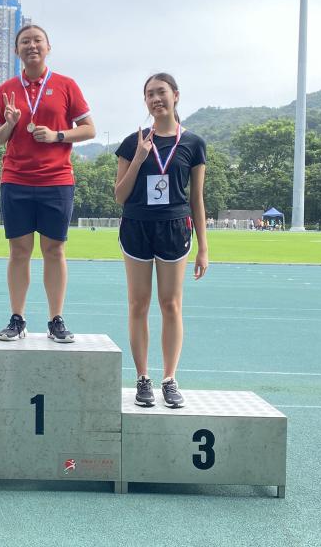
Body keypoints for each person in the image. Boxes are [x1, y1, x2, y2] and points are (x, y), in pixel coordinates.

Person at [0, 24, 96, 343]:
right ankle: (17, 318)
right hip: (16, 179)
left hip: (57, 180)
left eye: (37, 41)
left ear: (48, 47)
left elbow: (89, 129)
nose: (31, 46)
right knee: (19, 251)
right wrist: (9, 124)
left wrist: (57, 136)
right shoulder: (6, 89)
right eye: (25, 42)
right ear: (16, 51)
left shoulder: (66, 85)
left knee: (54, 250)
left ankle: (55, 319)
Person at [114, 72, 208, 408]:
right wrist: (139, 157)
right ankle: (142, 379)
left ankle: (169, 379)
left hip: (174, 229)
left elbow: (197, 199)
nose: (156, 99)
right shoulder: (131, 142)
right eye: (150, 94)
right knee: (138, 304)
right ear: (145, 101)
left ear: (176, 96)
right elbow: (120, 196)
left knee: (171, 304)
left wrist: (204, 249)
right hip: (137, 226)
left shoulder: (193, 144)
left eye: (162, 93)